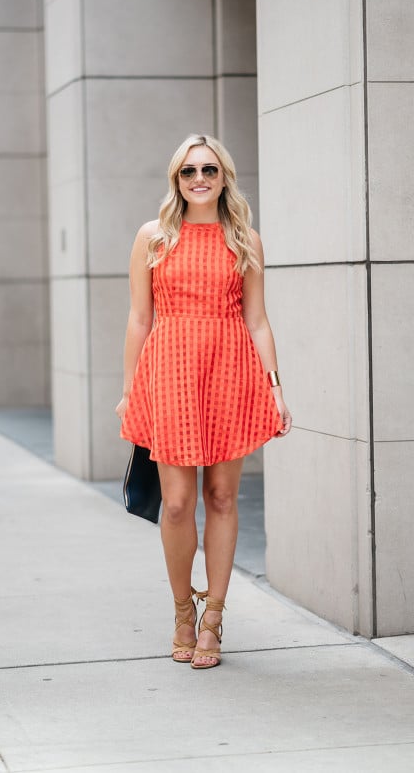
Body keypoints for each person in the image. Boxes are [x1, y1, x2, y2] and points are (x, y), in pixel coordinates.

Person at [115, 134, 292, 669]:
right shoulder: (154, 237)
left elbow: (256, 320)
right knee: (175, 502)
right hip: (168, 371)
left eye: (209, 170)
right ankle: (180, 614)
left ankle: (213, 617)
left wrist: (276, 387)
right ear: (176, 178)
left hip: (230, 370)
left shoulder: (245, 239)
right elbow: (139, 318)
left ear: (223, 177)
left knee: (220, 497)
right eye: (188, 171)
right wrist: (129, 391)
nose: (198, 179)